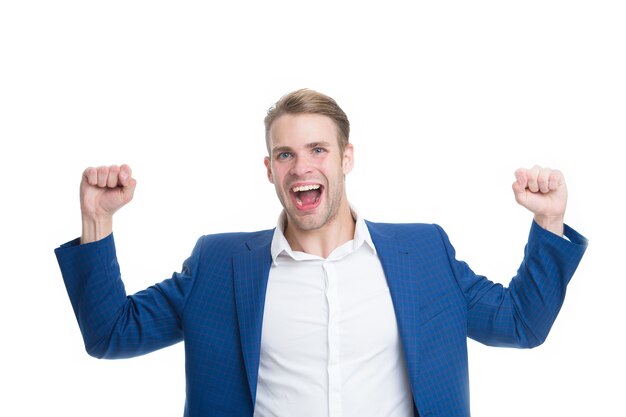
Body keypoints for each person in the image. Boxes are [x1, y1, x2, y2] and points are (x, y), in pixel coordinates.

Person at [55, 88, 587, 417]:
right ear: (269, 170)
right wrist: (96, 220)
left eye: (317, 150)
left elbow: (521, 323)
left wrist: (549, 221)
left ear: (345, 158)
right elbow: (111, 334)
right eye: (284, 154)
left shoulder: (422, 253)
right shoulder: (219, 264)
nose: (301, 167)